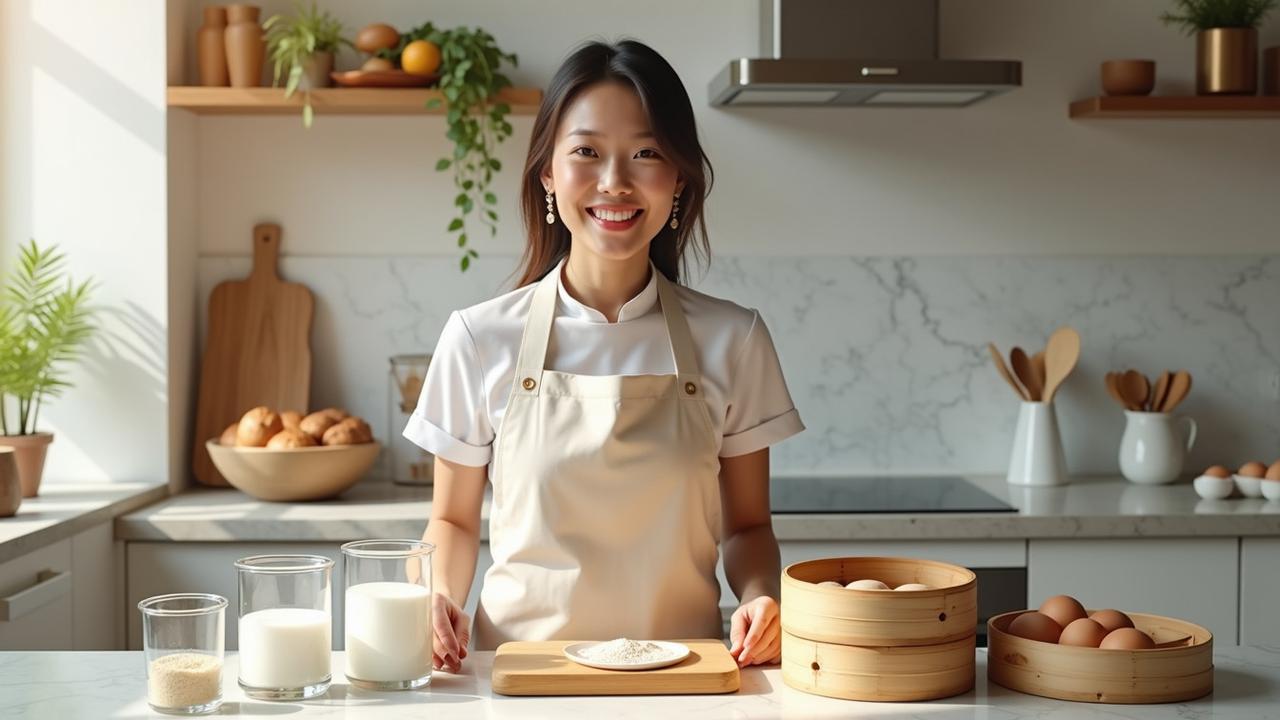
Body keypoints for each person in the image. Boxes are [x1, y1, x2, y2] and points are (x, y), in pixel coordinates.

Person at [405, 39, 804, 673]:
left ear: (678, 178)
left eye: (646, 153)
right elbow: (451, 521)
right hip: (517, 678)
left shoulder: (735, 339)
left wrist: (762, 596)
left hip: (686, 682)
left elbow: (749, 528)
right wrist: (434, 596)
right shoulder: (478, 338)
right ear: (547, 173)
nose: (614, 181)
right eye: (586, 152)